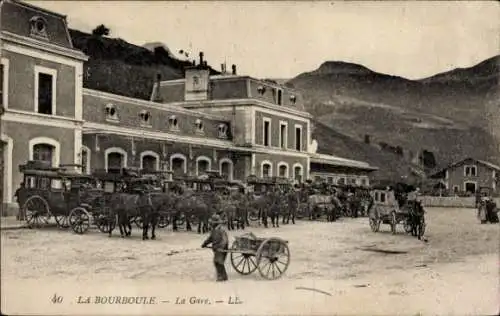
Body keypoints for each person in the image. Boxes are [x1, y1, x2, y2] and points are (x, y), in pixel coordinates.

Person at [201, 214, 229, 282]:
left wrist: (220, 247)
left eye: (212, 223)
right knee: (219, 262)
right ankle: (224, 276)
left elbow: (225, 240)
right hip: (217, 248)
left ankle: (221, 277)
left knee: (217, 261)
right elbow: (210, 238)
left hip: (221, 248)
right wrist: (204, 244)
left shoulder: (221, 230)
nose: (211, 224)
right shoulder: (213, 230)